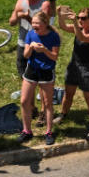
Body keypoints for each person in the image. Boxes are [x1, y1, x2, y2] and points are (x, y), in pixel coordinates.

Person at [54, 6, 89, 139]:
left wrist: (75, 23)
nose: (80, 20)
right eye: (79, 17)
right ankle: (63, 115)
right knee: (68, 94)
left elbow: (82, 38)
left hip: (87, 69)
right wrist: (59, 14)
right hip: (73, 66)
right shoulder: (78, 27)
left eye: (83, 18)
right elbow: (62, 26)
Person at [19, 11, 60, 145]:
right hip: (32, 70)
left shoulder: (54, 36)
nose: (34, 25)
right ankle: (27, 131)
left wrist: (45, 50)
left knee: (48, 103)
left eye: (37, 23)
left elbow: (54, 57)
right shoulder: (30, 34)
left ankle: (48, 132)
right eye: (33, 23)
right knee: (24, 101)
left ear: (45, 24)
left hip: (47, 71)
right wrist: (31, 47)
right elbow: (25, 55)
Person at [9, 0, 53, 81]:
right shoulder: (20, 1)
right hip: (23, 43)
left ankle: (42, 92)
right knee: (22, 69)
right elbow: (11, 22)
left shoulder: (44, 4)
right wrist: (17, 16)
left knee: (40, 72)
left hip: (38, 44)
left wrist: (27, 17)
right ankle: (25, 91)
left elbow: (43, 27)